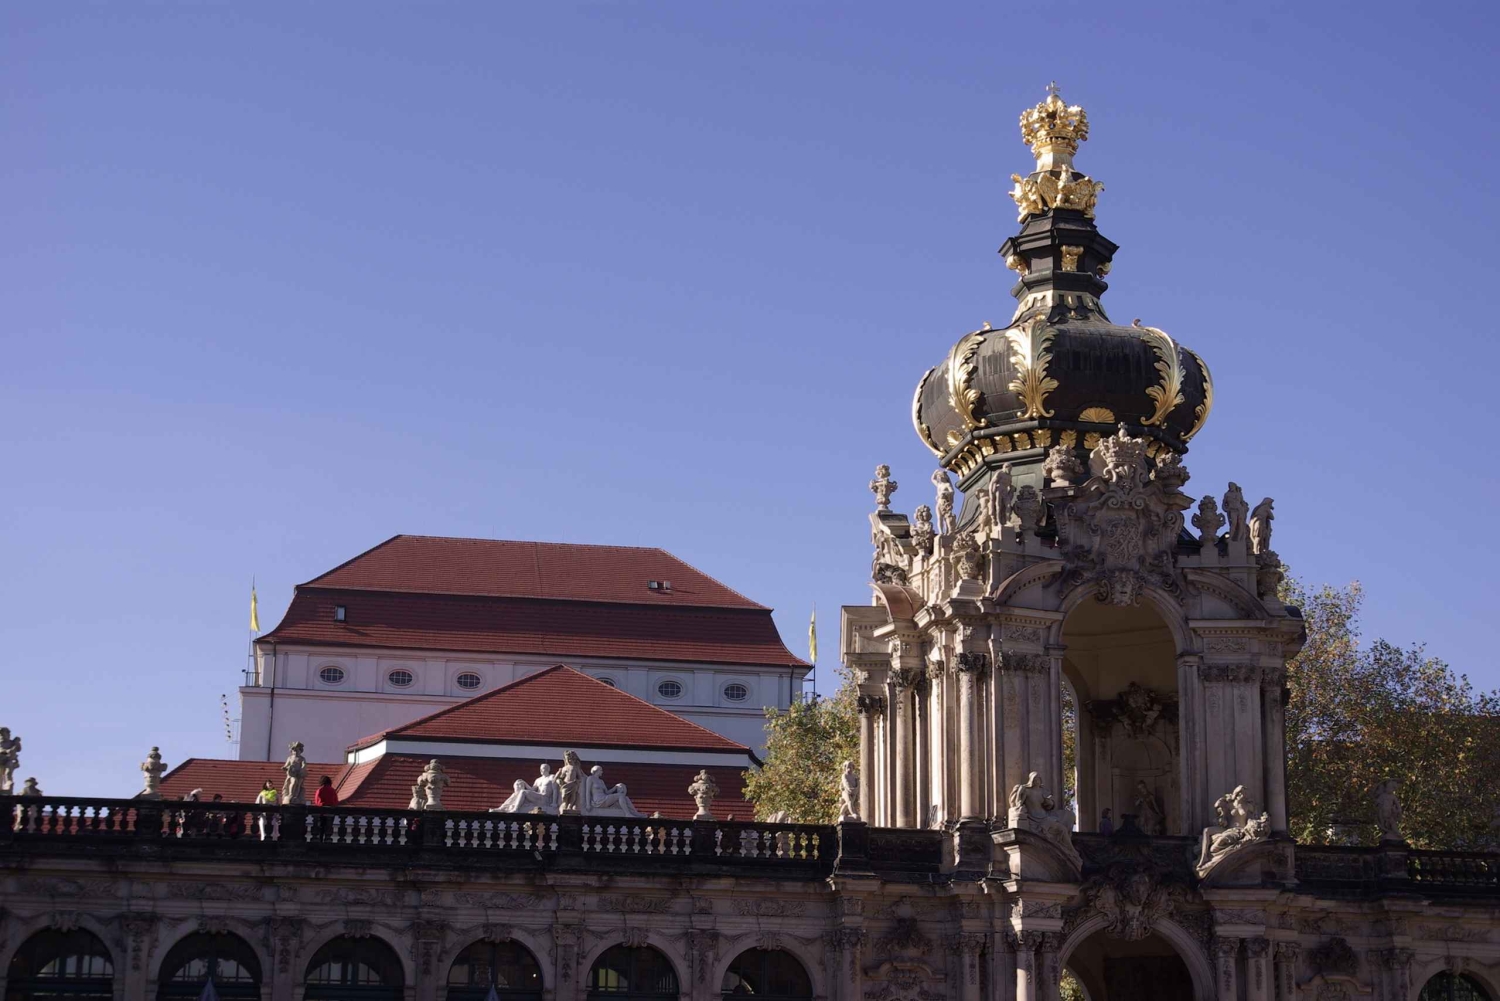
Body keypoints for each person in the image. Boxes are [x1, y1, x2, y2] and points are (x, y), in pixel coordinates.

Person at [312, 776, 339, 842]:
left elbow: (317, 801)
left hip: (321, 812)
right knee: (328, 828)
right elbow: (336, 801)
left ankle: (320, 840)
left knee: (321, 828)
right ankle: (327, 840)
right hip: (331, 812)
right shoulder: (333, 790)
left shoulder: (320, 790)